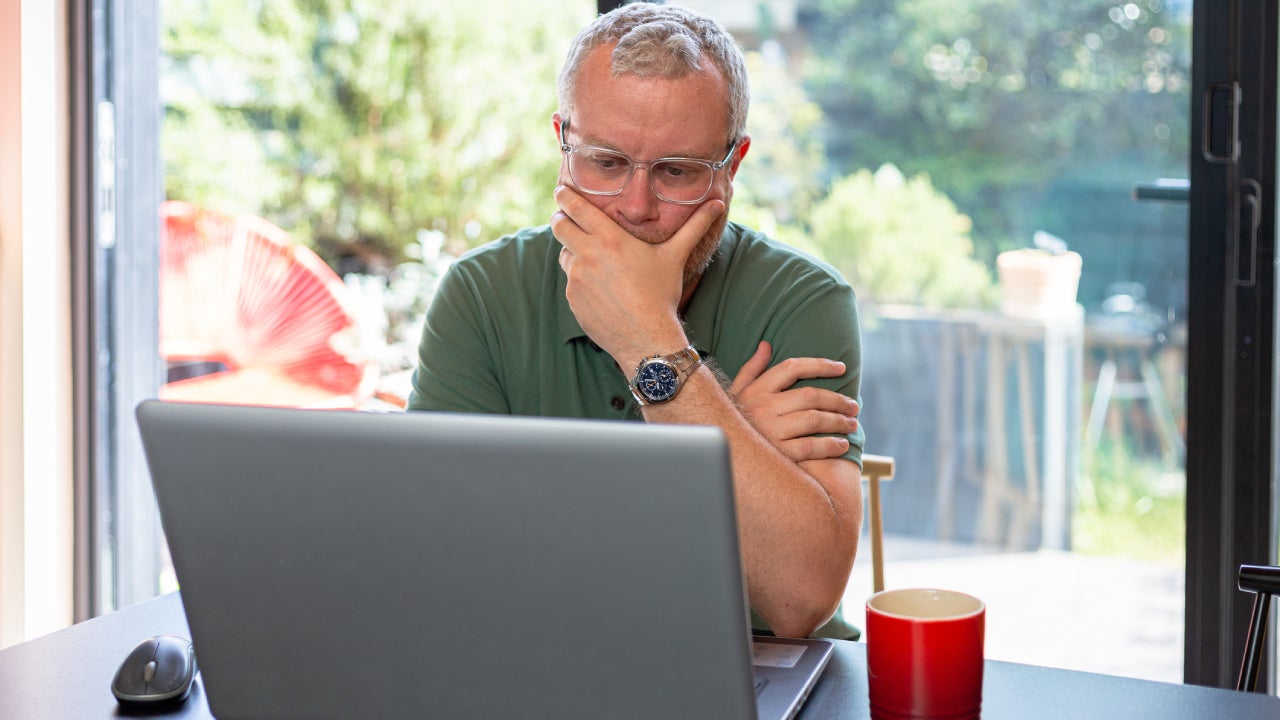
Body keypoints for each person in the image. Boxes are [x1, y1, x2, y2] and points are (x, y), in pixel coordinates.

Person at [408, 3, 865, 640]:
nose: (635, 206)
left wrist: (649, 338)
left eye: (676, 172)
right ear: (563, 142)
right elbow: (447, 574)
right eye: (605, 161)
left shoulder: (804, 298)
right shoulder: (481, 294)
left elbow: (798, 600)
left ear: (731, 167)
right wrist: (725, 452)